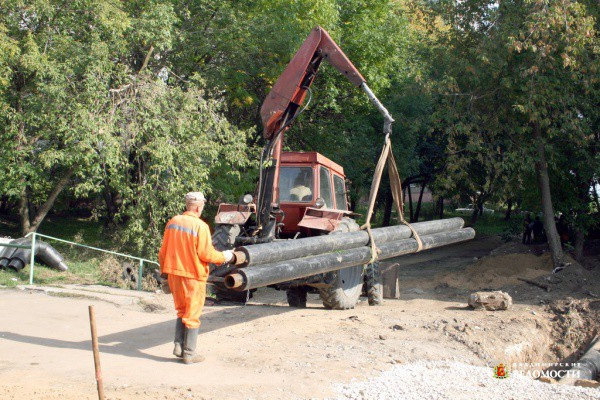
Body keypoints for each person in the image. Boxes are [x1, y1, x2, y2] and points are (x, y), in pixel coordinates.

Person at [158, 192, 234, 364]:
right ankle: (189, 353)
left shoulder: (173, 222)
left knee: (181, 310)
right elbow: (207, 254)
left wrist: (164, 275)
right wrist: (226, 256)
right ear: (199, 207)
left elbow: (162, 252)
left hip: (174, 274)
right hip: (193, 276)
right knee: (192, 314)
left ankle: (178, 346)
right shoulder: (201, 226)